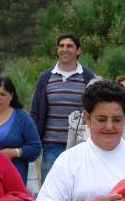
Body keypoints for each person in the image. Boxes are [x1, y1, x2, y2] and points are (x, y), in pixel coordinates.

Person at [30, 32, 97, 183]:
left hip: (82, 144)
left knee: (81, 185)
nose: (65, 49)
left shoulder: (88, 76)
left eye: (69, 46)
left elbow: (97, 108)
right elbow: (35, 111)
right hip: (51, 144)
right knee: (50, 187)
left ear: (78, 50)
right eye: (61, 46)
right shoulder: (45, 77)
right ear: (57, 49)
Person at [0, 76, 42, 184]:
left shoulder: (22, 117)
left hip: (14, 177)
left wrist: (14, 152)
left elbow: (36, 148)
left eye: (3, 94)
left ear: (11, 96)